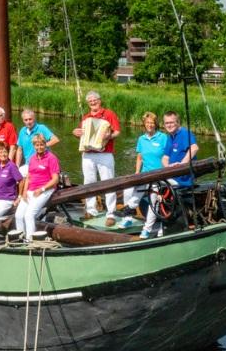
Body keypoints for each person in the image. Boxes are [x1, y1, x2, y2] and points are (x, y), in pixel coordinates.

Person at [141, 111, 199, 240]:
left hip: (183, 180)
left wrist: (182, 165)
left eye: (172, 122)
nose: (169, 125)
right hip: (172, 177)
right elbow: (165, 157)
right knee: (154, 190)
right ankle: (155, 227)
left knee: (155, 191)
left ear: (177, 122)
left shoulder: (184, 133)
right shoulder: (170, 137)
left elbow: (194, 148)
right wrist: (167, 166)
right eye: (167, 123)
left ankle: (148, 229)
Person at [72, 91, 121, 227]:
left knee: (109, 182)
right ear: (88, 103)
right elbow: (82, 134)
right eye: (90, 101)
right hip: (88, 154)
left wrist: (107, 136)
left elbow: (117, 131)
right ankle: (91, 210)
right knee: (89, 183)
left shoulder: (109, 114)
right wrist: (76, 133)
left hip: (105, 153)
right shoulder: (86, 118)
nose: (93, 103)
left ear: (100, 100)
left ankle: (111, 213)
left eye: (95, 100)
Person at [122, 112, 169, 217]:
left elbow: (168, 156)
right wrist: (137, 172)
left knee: (152, 197)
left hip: (159, 174)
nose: (149, 125)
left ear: (155, 124)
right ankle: (129, 215)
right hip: (145, 174)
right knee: (128, 189)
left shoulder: (163, 137)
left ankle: (131, 209)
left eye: (152, 123)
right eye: (147, 122)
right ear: (144, 124)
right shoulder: (141, 139)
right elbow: (139, 158)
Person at [14, 134, 60, 241]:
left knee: (29, 215)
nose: (39, 147)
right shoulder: (32, 158)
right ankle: (21, 239)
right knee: (19, 215)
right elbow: (29, 176)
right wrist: (25, 191)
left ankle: (31, 241)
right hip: (31, 189)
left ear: (45, 145)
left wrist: (42, 189)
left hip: (45, 189)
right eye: (37, 145)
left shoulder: (51, 158)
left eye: (41, 145)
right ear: (34, 146)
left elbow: (55, 179)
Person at [16, 109, 59, 175]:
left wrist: (42, 146)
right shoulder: (22, 131)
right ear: (23, 121)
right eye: (26, 120)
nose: (28, 122)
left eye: (30, 119)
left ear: (34, 119)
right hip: (28, 163)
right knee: (17, 175)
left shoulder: (41, 128)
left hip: (42, 163)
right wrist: (17, 166)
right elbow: (19, 150)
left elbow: (55, 139)